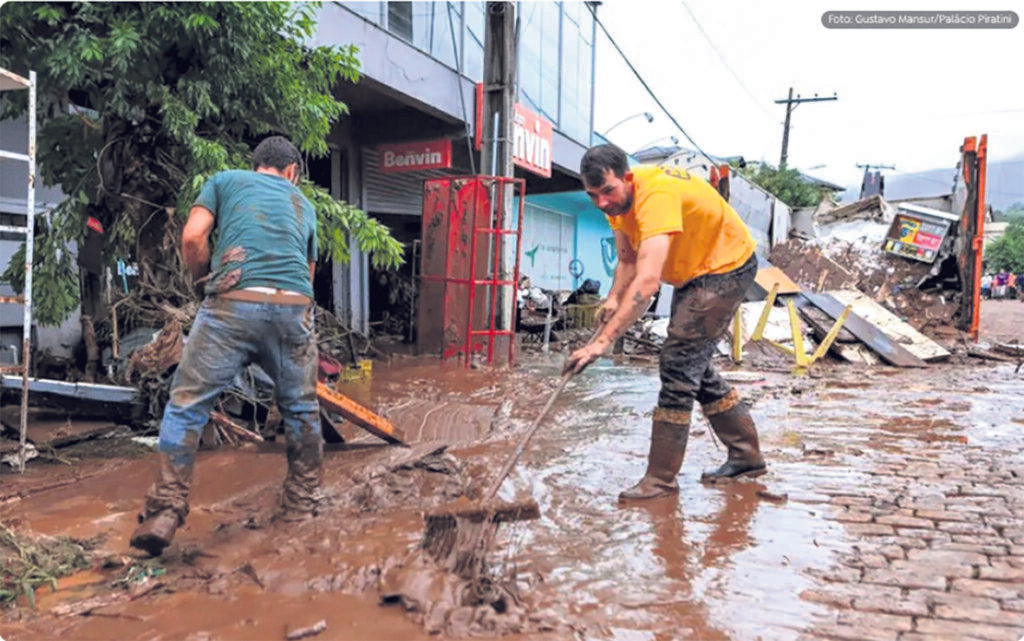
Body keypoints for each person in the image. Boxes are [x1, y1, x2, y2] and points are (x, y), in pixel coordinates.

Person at [130, 136, 322, 556]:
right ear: (293, 172)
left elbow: (193, 238)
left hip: (232, 304)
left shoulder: (223, 180)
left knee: (187, 404)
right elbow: (306, 278)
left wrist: (202, 280)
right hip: (292, 309)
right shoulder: (304, 206)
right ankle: (301, 507)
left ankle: (165, 510)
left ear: (257, 165)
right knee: (302, 407)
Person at [565, 144, 765, 501]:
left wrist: (601, 342)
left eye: (607, 191)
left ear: (626, 177)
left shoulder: (655, 197)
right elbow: (627, 262)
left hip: (727, 265)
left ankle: (660, 480)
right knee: (691, 365)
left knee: (678, 365)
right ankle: (746, 456)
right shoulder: (617, 204)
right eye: (592, 195)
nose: (601, 203)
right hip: (693, 272)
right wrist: (613, 298)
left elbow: (647, 282)